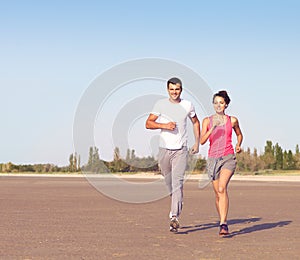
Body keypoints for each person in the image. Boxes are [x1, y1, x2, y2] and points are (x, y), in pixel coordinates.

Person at [145, 77, 200, 232]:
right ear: (167, 90)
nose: (174, 92)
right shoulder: (160, 104)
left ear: (181, 89)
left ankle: (174, 216)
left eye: (177, 89)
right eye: (171, 89)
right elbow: (148, 123)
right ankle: (176, 199)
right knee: (169, 182)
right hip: (164, 149)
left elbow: (196, 122)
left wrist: (197, 143)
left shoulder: (188, 105)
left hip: (181, 150)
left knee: (177, 183)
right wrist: (165, 125)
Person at [200, 90, 243, 236]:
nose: (218, 105)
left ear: (226, 105)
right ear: (213, 105)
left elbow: (239, 134)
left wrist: (238, 145)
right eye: (216, 103)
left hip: (228, 157)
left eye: (221, 103)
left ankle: (223, 224)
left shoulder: (232, 120)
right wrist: (212, 127)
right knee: (217, 194)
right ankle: (222, 218)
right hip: (213, 159)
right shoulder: (207, 121)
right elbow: (202, 140)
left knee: (222, 188)